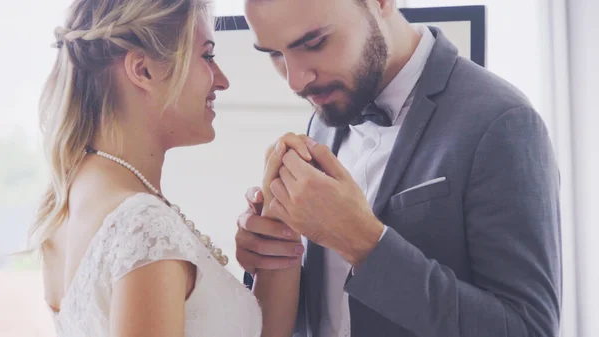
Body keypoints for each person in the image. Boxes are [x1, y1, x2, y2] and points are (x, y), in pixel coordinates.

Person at [235, 0, 562, 336]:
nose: (296, 81)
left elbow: (529, 330)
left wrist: (362, 241)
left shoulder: (502, 122)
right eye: (274, 53)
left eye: (314, 43)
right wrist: (272, 254)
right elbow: (334, 312)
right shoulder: (326, 115)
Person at [30, 0, 269, 336]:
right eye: (207, 56)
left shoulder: (66, 204)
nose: (222, 80)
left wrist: (277, 260)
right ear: (143, 70)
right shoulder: (142, 225)